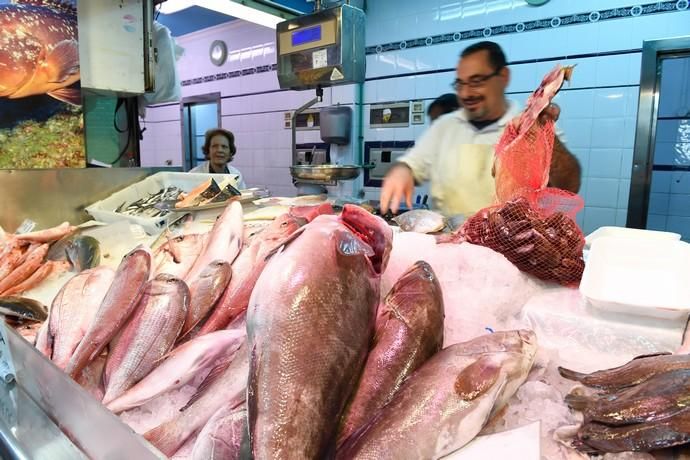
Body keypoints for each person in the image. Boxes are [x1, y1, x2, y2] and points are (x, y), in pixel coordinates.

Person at [380, 41, 581, 216]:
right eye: (460, 84)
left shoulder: (529, 125)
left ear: (503, 76)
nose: (466, 93)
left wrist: (541, 134)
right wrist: (402, 171)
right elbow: (410, 165)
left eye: (476, 82)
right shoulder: (444, 127)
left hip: (509, 250)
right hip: (449, 248)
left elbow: (569, 186)